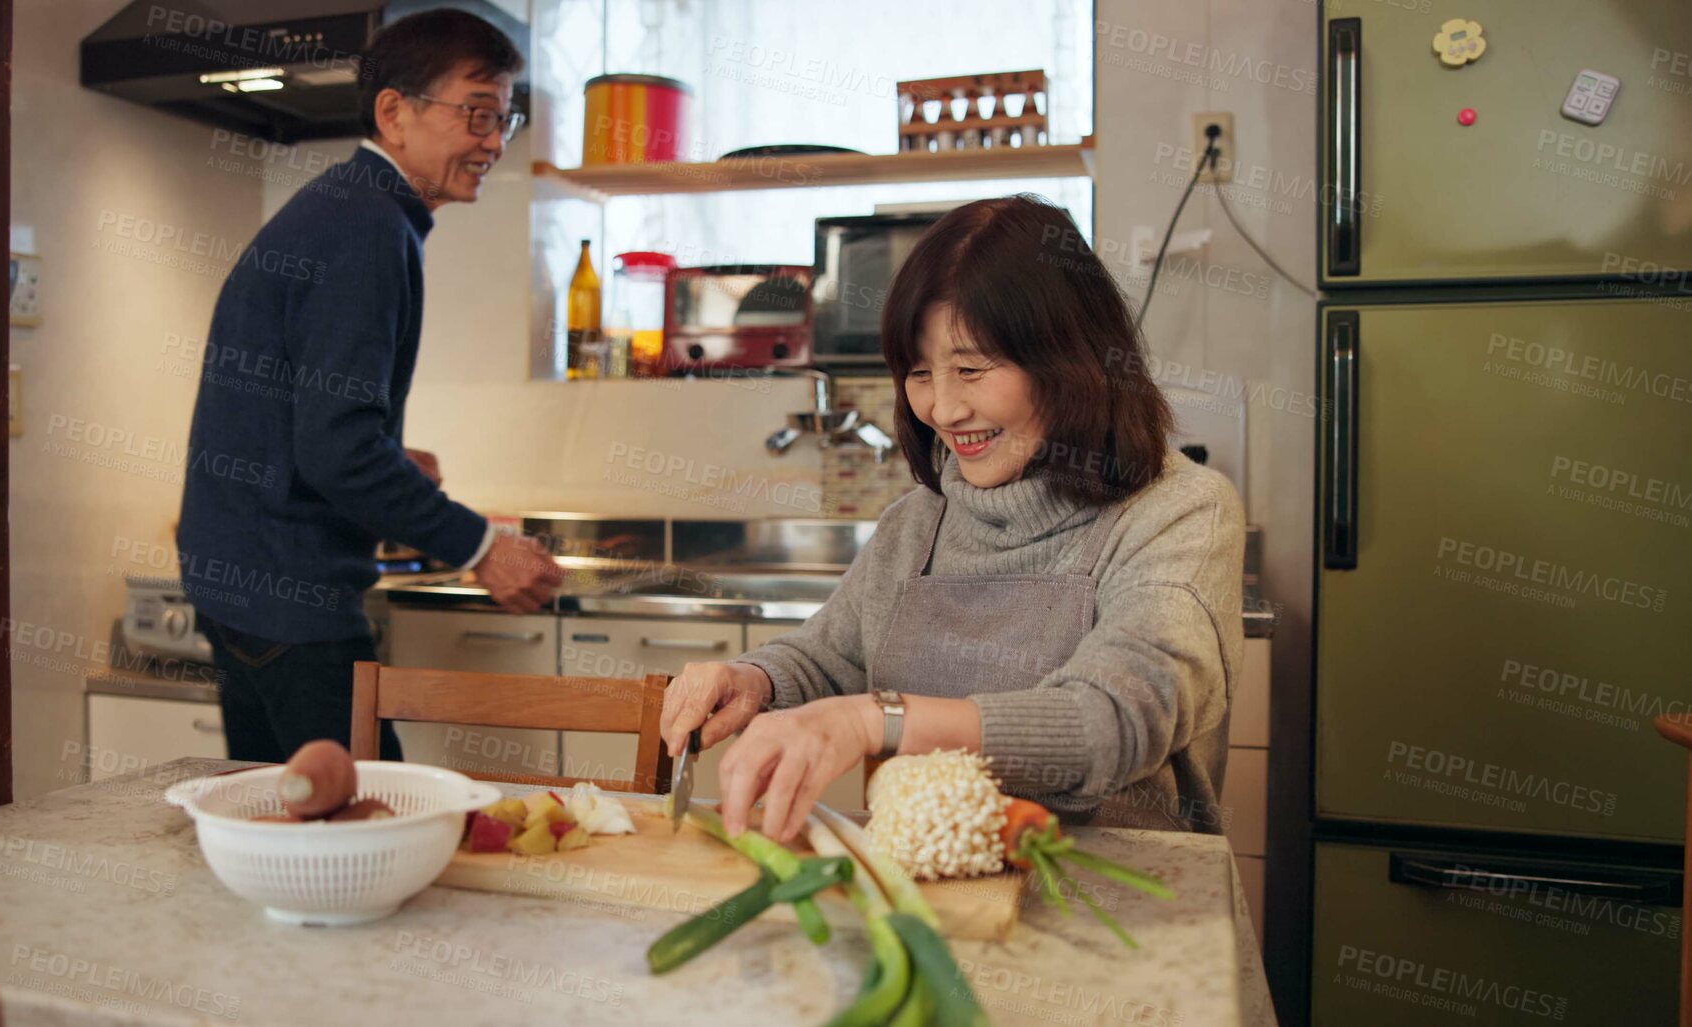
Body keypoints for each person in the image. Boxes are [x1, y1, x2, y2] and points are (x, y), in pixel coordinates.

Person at [660, 195, 1245, 843]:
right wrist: (753, 678)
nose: (941, 407)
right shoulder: (918, 520)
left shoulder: (1179, 511)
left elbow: (1112, 721)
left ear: (1070, 361)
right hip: (934, 891)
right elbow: (831, 655)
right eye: (918, 372)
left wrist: (871, 719)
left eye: (969, 369)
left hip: (1120, 903)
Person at [177, 9, 562, 763]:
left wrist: (388, 450)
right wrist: (483, 547)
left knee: (286, 823)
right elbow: (336, 448)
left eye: (504, 119)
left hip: (242, 583)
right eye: (477, 113)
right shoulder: (367, 230)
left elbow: (309, 420)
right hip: (290, 594)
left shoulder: (342, 209)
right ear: (394, 112)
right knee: (374, 831)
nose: (493, 141)